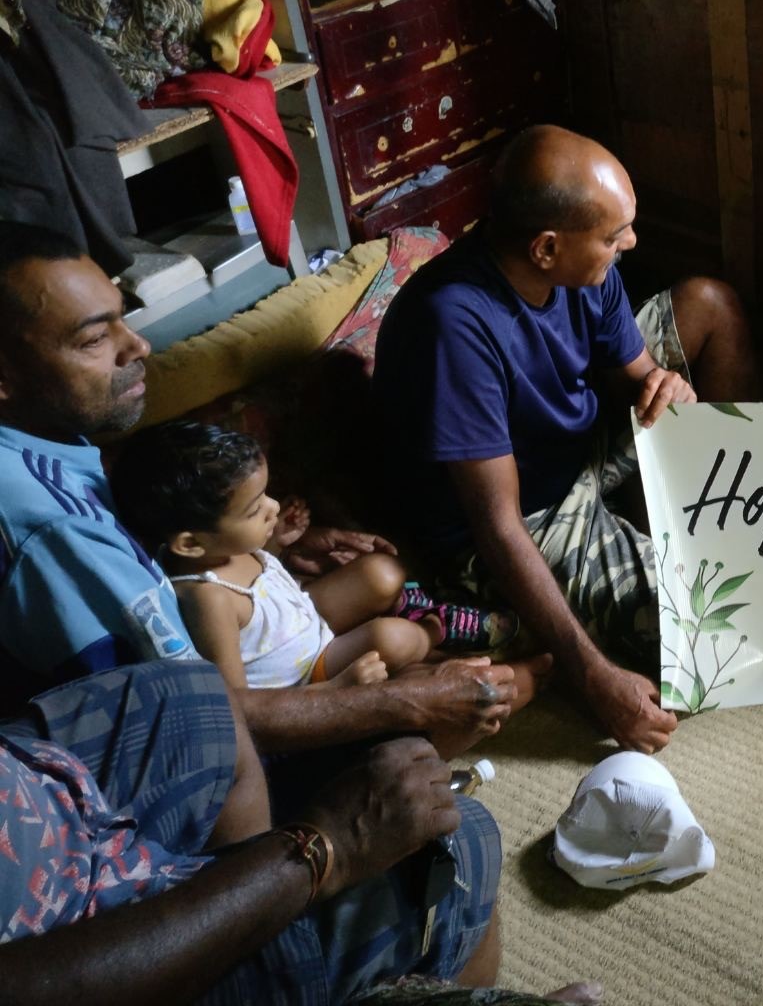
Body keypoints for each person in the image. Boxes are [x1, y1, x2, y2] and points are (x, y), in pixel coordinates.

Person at [0, 220, 549, 756]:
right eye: (96, 337)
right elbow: (202, 728)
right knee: (463, 705)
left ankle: (475, 654)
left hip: (268, 656)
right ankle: (529, 674)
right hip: (230, 747)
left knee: (400, 621)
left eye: (123, 317)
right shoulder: (51, 531)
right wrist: (398, 702)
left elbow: (160, 562)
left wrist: (257, 545)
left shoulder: (54, 441)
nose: (139, 345)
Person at [374, 125, 762, 753]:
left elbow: (634, 371)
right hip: (529, 513)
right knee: (713, 640)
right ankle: (545, 633)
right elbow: (497, 525)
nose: (629, 244)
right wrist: (594, 675)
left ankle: (689, 524)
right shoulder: (454, 325)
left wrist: (664, 385)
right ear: (547, 248)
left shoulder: (585, 270)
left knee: (710, 308)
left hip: (575, 440)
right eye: (614, 236)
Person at [0, 659, 501, 1004]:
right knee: (463, 841)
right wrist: (323, 848)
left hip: (37, 786)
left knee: (197, 693)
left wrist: (393, 700)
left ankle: (243, 892)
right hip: (73, 961)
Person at [112, 421, 518, 698]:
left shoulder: (220, 547)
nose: (272, 507)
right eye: (254, 510)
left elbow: (260, 590)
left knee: (381, 570)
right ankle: (432, 629)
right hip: (306, 674)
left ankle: (408, 613)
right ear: (190, 543)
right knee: (388, 638)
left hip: (304, 619)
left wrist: (279, 546)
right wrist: (333, 690)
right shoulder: (208, 600)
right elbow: (240, 702)